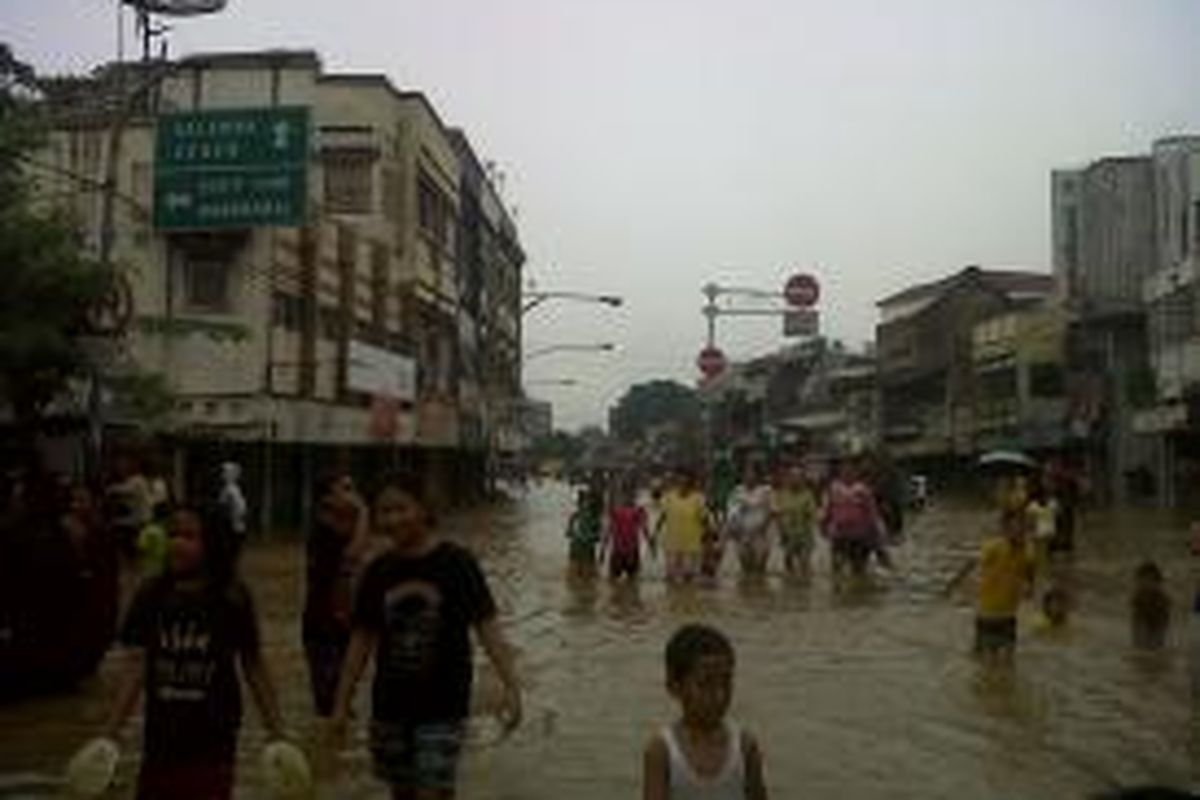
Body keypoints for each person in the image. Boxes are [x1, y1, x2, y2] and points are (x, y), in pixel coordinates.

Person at [330, 479, 521, 799]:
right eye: (383, 511)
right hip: (390, 708)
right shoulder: (378, 570)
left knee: (434, 791)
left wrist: (512, 687)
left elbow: (487, 628)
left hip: (444, 707)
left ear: (424, 510)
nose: (392, 519)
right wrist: (341, 704)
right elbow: (361, 640)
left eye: (401, 508)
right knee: (401, 792)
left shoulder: (458, 564)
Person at [100, 503, 285, 800]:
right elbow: (135, 667)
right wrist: (109, 733)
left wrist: (277, 732)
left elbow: (253, 665)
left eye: (189, 536)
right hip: (160, 739)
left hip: (214, 741)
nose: (177, 543)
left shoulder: (232, 598)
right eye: (172, 534)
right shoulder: (150, 595)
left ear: (212, 542)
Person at [642, 624, 768, 800]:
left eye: (725, 682)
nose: (719, 695)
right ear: (674, 687)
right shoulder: (662, 751)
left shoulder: (744, 746)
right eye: (705, 684)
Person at [303, 472, 372, 717]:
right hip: (322, 627)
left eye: (353, 487)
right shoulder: (323, 531)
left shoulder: (340, 528)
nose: (353, 495)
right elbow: (353, 556)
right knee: (330, 704)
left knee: (343, 699)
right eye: (345, 489)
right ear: (328, 498)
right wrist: (364, 512)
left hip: (341, 624)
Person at [973, 502, 1035, 664]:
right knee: (988, 663)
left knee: (1009, 662)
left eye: (1024, 527)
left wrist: (1029, 586)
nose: (1020, 531)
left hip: (1009, 615)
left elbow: (1029, 572)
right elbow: (973, 565)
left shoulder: (1027, 552)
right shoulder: (994, 547)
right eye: (1015, 527)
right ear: (1005, 528)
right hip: (988, 614)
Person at [821, 459, 886, 578]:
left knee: (858, 568)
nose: (847, 473)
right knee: (837, 567)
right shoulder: (833, 489)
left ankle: (858, 589)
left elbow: (872, 511)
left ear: (856, 473)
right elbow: (827, 508)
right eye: (844, 470)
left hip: (859, 535)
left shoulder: (863, 490)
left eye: (851, 470)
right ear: (840, 472)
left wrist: (877, 529)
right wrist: (823, 524)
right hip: (839, 534)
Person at [659, 470, 710, 584]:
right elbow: (662, 517)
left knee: (688, 576)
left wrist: (708, 540)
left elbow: (705, 520)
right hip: (671, 543)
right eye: (680, 481)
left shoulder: (698, 499)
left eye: (686, 481)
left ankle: (688, 600)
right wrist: (654, 535)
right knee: (671, 577)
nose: (682, 484)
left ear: (691, 483)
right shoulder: (669, 497)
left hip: (691, 544)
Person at [725, 464, 773, 577]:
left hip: (761, 534)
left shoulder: (766, 491)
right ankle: (747, 591)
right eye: (745, 474)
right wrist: (731, 531)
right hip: (742, 534)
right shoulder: (736, 491)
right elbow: (731, 513)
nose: (748, 477)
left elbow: (771, 511)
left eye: (752, 474)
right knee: (745, 567)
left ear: (757, 476)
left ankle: (759, 590)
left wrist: (764, 528)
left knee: (760, 567)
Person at [772, 466, 818, 578]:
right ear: (788, 479)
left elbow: (812, 516)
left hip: (804, 534)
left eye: (798, 477)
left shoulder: (808, 494)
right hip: (787, 534)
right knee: (788, 563)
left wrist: (809, 530)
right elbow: (776, 514)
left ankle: (805, 584)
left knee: (804, 563)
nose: (795, 479)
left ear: (802, 479)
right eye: (792, 477)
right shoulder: (781, 494)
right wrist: (781, 531)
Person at [604, 484, 652, 581]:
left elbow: (644, 528)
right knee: (616, 578)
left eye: (629, 496)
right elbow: (610, 529)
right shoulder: (617, 511)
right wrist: (603, 549)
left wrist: (650, 542)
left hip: (629, 548)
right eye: (625, 495)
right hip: (620, 548)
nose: (626, 498)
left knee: (628, 578)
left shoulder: (637, 511)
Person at [1130, 561, 1171, 651]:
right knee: (1139, 645)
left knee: (1156, 644)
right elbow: (1136, 617)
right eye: (1141, 580)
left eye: (1149, 580)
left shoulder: (1162, 599)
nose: (1144, 584)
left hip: (1159, 617)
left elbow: (1164, 621)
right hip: (1142, 615)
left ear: (1157, 582)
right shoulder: (1138, 595)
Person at [565, 488, 603, 579]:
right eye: (583, 502)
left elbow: (568, 532)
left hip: (583, 546)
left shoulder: (578, 516)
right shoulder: (576, 516)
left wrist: (574, 534)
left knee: (578, 574)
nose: (584, 504)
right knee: (583, 574)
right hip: (581, 546)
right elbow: (569, 531)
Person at [217, 462, 248, 558]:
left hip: (234, 526)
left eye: (225, 472)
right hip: (232, 526)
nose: (223, 475)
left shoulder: (232, 490)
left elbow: (240, 508)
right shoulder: (229, 489)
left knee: (232, 551)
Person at [136, 501, 170, 579]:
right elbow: (141, 549)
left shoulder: (151, 530)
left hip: (159, 571)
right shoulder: (151, 530)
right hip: (153, 572)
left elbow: (141, 548)